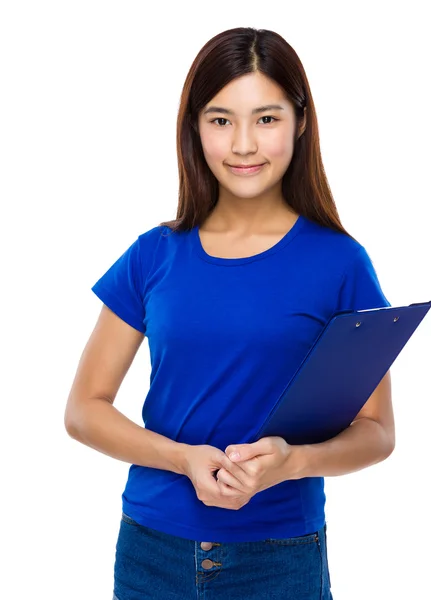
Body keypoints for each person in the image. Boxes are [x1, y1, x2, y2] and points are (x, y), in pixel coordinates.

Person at [64, 26, 395, 600]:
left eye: (266, 119)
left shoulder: (340, 263)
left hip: (280, 559)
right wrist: (181, 458)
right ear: (195, 128)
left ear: (300, 123)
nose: (243, 144)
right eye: (221, 120)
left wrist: (291, 462)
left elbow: (377, 432)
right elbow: (83, 410)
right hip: (151, 552)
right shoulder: (154, 254)